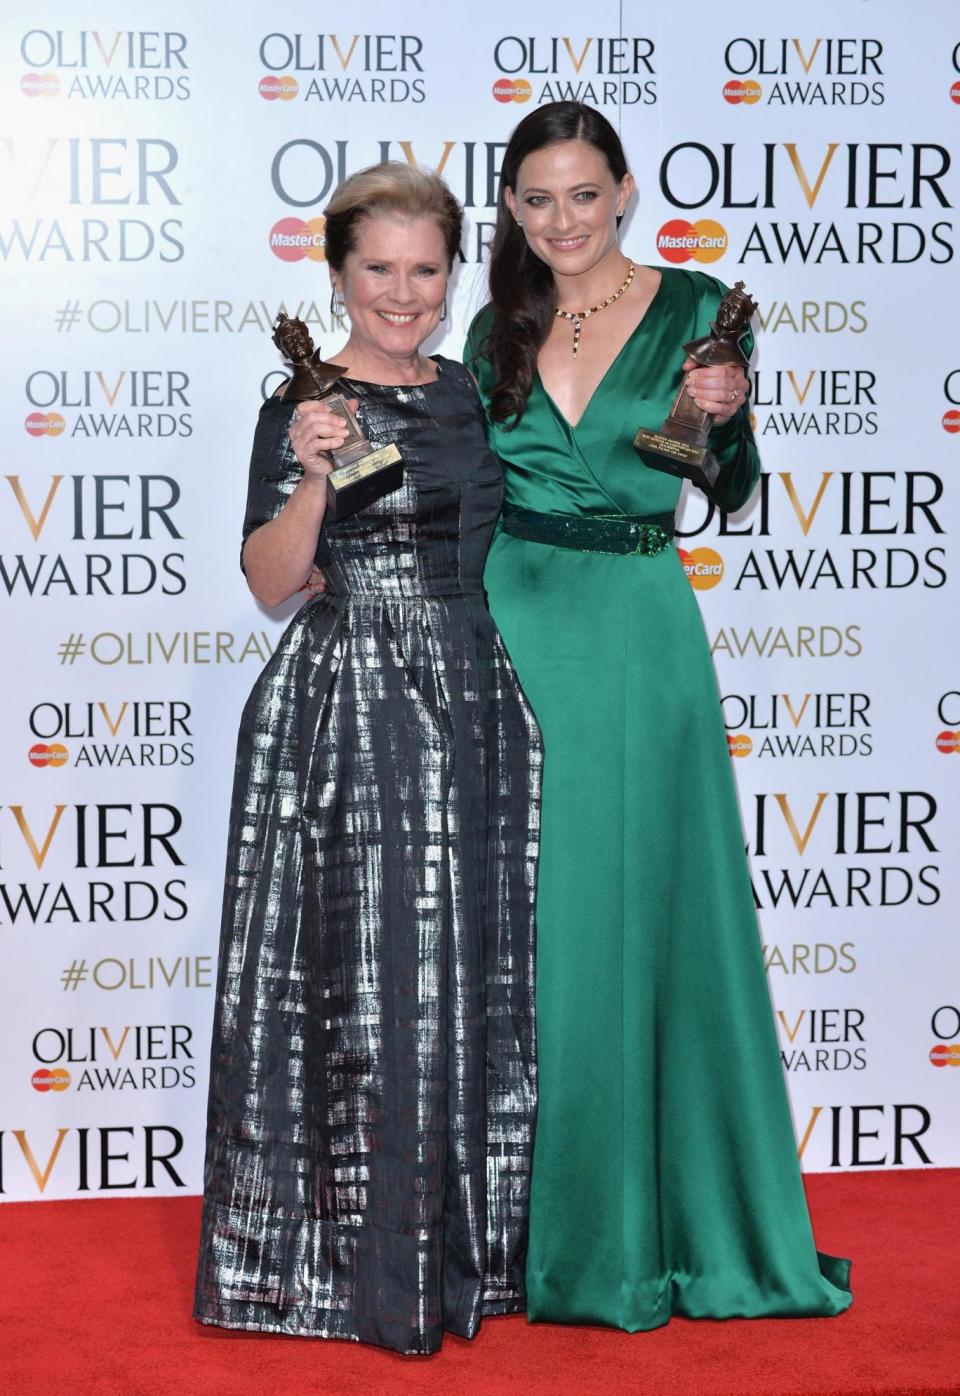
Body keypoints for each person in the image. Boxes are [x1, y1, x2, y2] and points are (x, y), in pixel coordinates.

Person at [465, 102, 852, 1330]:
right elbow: (466, 486)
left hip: (636, 626)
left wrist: (729, 419)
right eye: (536, 198)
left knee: (635, 922)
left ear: (625, 191)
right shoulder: (492, 326)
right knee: (523, 930)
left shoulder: (699, 309)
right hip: (510, 616)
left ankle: (630, 1244)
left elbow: (725, 488)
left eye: (584, 193)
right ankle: (511, 1233)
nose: (562, 220)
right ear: (512, 209)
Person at [194, 162, 541, 1356]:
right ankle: (354, 1259)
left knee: (474, 973)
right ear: (337, 271)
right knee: (370, 978)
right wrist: (310, 469)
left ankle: (473, 1247)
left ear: (455, 273)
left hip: (477, 691)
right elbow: (272, 583)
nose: (403, 293)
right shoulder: (303, 400)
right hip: (348, 705)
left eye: (426, 268)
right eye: (378, 269)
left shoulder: (471, 391)